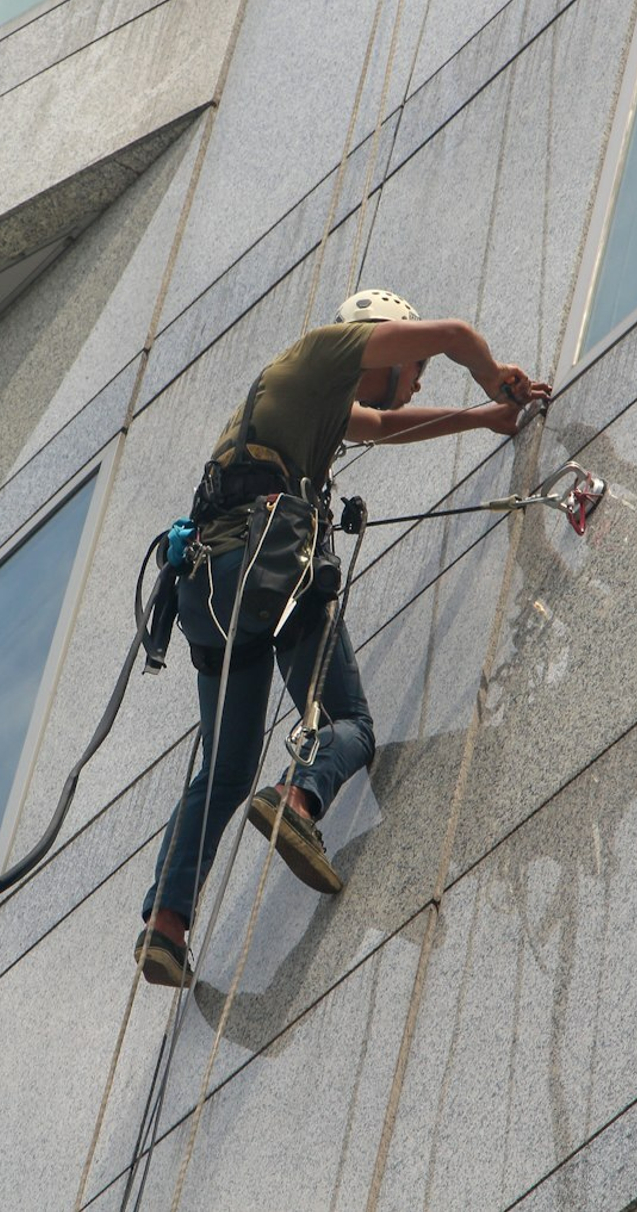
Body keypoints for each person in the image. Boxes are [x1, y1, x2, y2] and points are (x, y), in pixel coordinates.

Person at [134, 289, 552, 987]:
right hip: (269, 568)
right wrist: (493, 376)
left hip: (208, 589)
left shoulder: (305, 403)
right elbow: (452, 333)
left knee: (226, 769)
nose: (413, 382)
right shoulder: (323, 351)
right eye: (411, 367)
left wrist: (482, 420)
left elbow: (383, 427)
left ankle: (165, 925)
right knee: (350, 722)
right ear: (385, 343)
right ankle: (299, 798)